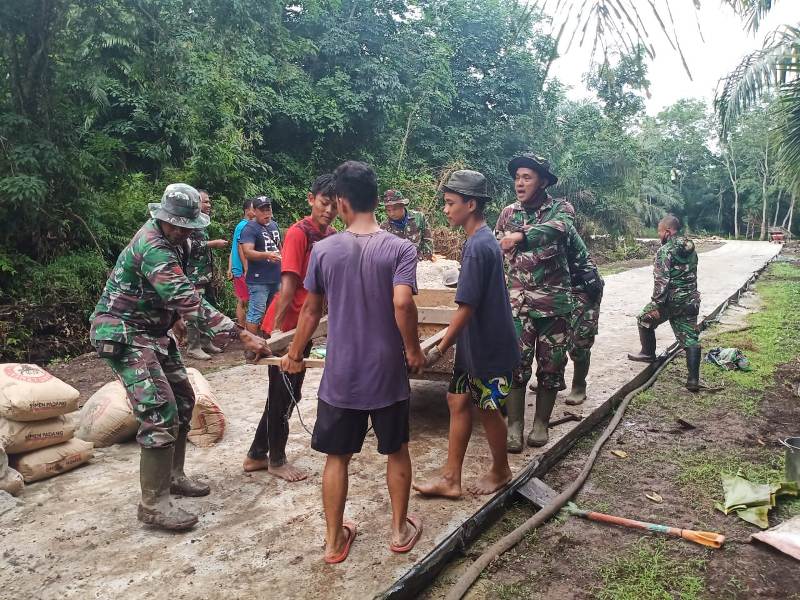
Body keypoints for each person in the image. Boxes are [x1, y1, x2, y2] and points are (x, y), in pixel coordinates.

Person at [89, 183, 269, 531]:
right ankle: (153, 505)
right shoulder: (152, 245)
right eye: (176, 224)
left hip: (155, 332)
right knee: (159, 407)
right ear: (162, 218)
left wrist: (175, 320)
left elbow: (179, 296)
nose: (182, 230)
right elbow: (185, 295)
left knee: (184, 400)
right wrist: (241, 333)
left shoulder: (180, 241)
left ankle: (173, 476)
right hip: (124, 333)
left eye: (187, 225)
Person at [281, 161, 426, 564]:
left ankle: (333, 541)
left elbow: (310, 312)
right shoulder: (400, 248)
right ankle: (398, 530)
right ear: (377, 200)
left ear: (341, 203)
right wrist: (413, 350)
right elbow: (403, 303)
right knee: (396, 450)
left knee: (337, 457)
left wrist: (294, 354)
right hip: (386, 372)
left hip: (341, 372)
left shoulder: (324, 250)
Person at [412, 170, 519, 498]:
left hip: (489, 347)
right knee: (457, 400)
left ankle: (501, 471)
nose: (445, 210)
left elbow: (466, 309)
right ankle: (451, 479)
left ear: (470, 204)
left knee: (486, 408)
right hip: (475, 344)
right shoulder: (481, 241)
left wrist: (439, 347)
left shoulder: (477, 247)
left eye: (450, 203)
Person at [242, 174, 337, 482]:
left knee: (287, 393)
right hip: (285, 324)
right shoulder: (299, 234)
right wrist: (272, 333)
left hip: (305, 326)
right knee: (283, 391)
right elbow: (288, 283)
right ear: (311, 199)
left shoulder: (331, 235)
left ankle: (256, 454)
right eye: (324, 203)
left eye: (335, 206)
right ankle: (276, 460)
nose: (329, 211)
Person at [495, 153, 575, 451]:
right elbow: (498, 254)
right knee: (515, 365)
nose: (520, 182)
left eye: (527, 177)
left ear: (542, 181)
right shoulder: (507, 213)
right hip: (517, 305)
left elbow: (559, 229)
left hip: (554, 304)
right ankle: (514, 427)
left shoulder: (561, 209)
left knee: (551, 365)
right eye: (517, 177)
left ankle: (541, 423)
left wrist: (519, 236)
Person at [627, 214, 701, 392]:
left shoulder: (665, 251)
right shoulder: (691, 249)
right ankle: (693, 381)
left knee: (643, 318)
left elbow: (662, 281)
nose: (659, 235)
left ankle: (647, 353)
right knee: (690, 338)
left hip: (670, 301)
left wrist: (657, 305)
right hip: (691, 300)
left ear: (668, 232)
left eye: (659, 232)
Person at [184, 189, 229, 360]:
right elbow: (189, 245)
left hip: (205, 274)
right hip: (193, 275)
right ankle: (193, 347)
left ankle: (206, 341)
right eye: (205, 202)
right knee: (193, 311)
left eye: (209, 202)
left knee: (206, 309)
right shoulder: (188, 223)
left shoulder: (202, 222)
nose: (209, 205)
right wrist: (212, 244)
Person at [563, 224, 604, 405]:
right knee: (555, 337)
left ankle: (579, 386)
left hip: (584, 286)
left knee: (579, 339)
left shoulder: (559, 227)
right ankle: (555, 379)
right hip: (560, 287)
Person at [239, 196, 282, 357]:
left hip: (276, 276)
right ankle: (252, 348)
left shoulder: (274, 225)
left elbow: (280, 247)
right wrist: (266, 255)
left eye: (268, 209)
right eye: (262, 210)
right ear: (254, 211)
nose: (267, 213)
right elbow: (247, 251)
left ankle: (273, 343)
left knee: (276, 312)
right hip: (258, 279)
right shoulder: (250, 228)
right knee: (256, 313)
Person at [379, 189, 434, 261]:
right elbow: (383, 251)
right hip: (397, 264)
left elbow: (427, 240)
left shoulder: (419, 217)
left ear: (403, 206)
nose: (392, 213)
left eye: (395, 209)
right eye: (388, 210)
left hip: (420, 262)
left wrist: (423, 257)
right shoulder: (384, 226)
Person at [227, 198, 256, 327]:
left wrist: (229, 267)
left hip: (240, 268)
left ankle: (245, 328)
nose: (256, 212)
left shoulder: (244, 225)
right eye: (253, 209)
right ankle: (243, 330)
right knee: (243, 300)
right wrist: (246, 268)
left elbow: (232, 249)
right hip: (241, 269)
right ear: (247, 210)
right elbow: (239, 247)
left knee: (245, 299)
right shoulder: (244, 225)